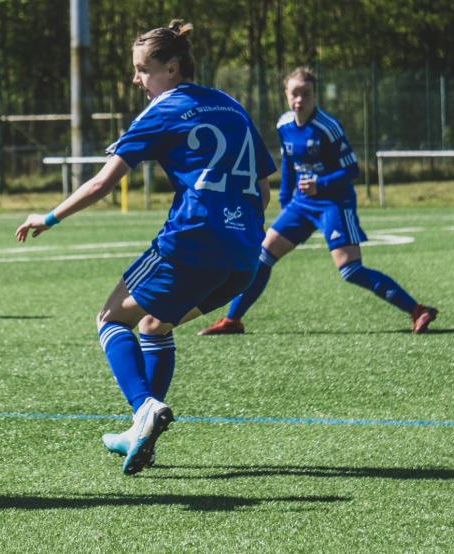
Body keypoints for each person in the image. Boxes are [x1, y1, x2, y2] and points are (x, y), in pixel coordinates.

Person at [16, 20, 275, 475]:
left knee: (110, 318)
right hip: (243, 254)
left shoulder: (162, 109)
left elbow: (102, 182)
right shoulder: (232, 106)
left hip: (192, 239)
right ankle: (143, 434)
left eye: (142, 69)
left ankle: (142, 409)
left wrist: (50, 216)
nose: (137, 79)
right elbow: (264, 188)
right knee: (155, 325)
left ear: (171, 68)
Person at [198, 67, 438, 336]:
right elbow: (289, 163)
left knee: (350, 270)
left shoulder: (328, 127)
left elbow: (352, 170)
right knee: (262, 256)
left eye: (306, 94)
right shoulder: (284, 124)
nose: (299, 100)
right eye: (294, 94)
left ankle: (418, 310)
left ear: (315, 96)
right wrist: (286, 198)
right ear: (286, 95)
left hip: (334, 203)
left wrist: (320, 184)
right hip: (302, 204)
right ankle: (233, 320)